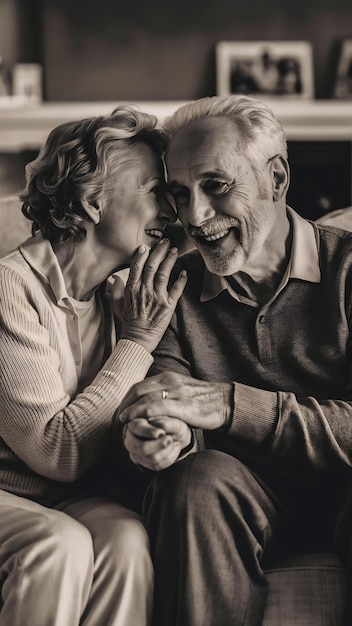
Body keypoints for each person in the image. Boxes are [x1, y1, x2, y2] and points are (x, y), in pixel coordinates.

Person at [118, 95, 352, 626]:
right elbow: (167, 398)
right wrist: (161, 437)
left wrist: (230, 404)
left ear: (277, 177)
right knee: (194, 481)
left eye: (216, 187)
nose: (195, 217)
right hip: (239, 496)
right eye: (180, 193)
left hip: (344, 490)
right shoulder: (171, 285)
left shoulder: (348, 271)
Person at [0, 105, 187, 626]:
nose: (172, 212)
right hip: (17, 493)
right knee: (57, 545)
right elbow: (56, 451)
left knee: (127, 538)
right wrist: (139, 341)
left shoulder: (119, 296)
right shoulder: (9, 289)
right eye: (156, 191)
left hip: (62, 496)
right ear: (91, 200)